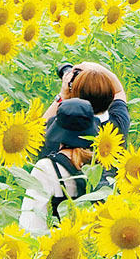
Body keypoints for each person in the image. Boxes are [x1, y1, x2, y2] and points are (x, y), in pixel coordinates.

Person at [20, 98, 100, 234]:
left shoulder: (47, 168)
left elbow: (31, 225)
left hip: (60, 249)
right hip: (93, 249)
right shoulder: (99, 164)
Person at [40, 61, 129, 157]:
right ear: (109, 95)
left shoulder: (56, 134)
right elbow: (119, 91)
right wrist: (95, 67)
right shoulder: (118, 124)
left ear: (75, 98)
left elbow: (39, 130)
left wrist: (63, 95)